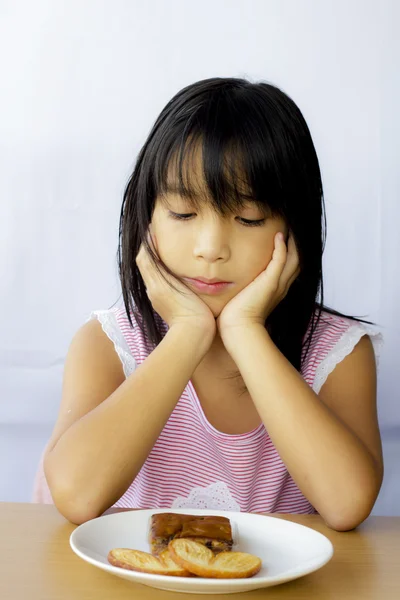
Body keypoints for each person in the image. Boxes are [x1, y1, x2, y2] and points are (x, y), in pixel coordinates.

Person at [34, 77, 384, 530]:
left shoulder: (336, 353)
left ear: (295, 226)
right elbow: (76, 496)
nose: (211, 247)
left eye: (248, 218)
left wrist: (245, 332)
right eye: (183, 213)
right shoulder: (109, 344)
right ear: (146, 217)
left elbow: (347, 504)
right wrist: (187, 332)